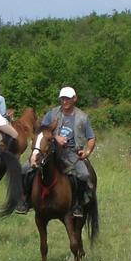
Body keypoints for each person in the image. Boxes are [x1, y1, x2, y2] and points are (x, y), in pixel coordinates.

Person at [26, 86, 97, 217]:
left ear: (74, 99)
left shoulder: (82, 117)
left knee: (84, 175)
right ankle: (26, 200)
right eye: (63, 99)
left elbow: (91, 138)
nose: (65, 101)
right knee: (25, 169)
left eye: (68, 98)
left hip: (71, 152)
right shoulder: (52, 114)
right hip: (51, 150)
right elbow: (43, 130)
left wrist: (87, 152)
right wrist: (55, 137)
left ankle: (78, 205)